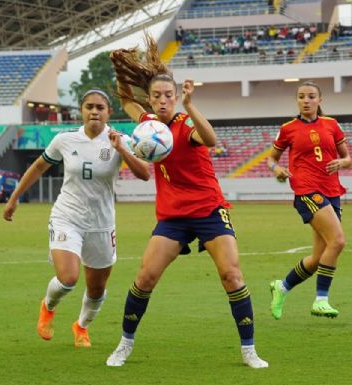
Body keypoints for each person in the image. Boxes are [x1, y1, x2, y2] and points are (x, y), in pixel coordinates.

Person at [105, 34, 268, 369]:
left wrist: (192, 107)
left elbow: (210, 139)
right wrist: (120, 68)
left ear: (177, 97)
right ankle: (124, 343)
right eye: (156, 96)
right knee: (145, 277)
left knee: (231, 275)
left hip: (209, 209)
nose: (163, 100)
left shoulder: (184, 126)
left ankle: (249, 349)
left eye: (169, 95)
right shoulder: (148, 126)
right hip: (173, 216)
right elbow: (124, 100)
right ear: (150, 99)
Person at [2, 90, 150, 348]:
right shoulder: (65, 139)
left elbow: (145, 174)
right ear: (81, 111)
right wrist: (15, 197)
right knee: (68, 277)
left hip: (102, 223)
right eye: (89, 107)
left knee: (96, 289)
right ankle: (48, 307)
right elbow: (38, 166)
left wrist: (122, 150)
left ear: (108, 112)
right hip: (67, 216)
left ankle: (81, 326)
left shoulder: (121, 140)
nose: (94, 112)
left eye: (100, 107)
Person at [267, 80, 352, 320]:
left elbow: (348, 158)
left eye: (311, 96)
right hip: (306, 190)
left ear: (319, 100)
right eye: (302, 96)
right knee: (338, 241)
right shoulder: (288, 128)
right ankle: (321, 300)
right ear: (297, 100)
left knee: (317, 258)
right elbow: (272, 159)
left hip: (332, 190)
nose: (306, 100)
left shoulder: (331, 125)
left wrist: (341, 162)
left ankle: (281, 287)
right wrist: (276, 170)